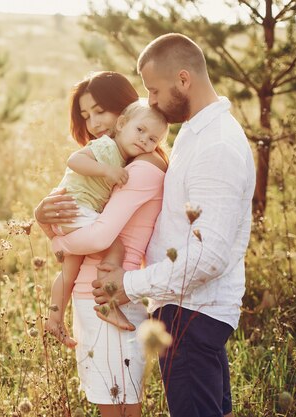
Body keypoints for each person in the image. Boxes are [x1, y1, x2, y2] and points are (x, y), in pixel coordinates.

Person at [91, 33, 255, 417]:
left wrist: (127, 285)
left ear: (184, 80)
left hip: (193, 315)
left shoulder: (217, 145)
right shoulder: (195, 134)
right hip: (190, 310)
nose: (149, 101)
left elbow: (208, 257)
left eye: (154, 90)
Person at [35, 71, 168, 417]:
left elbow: (99, 235)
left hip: (106, 293)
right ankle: (53, 313)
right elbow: (75, 197)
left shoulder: (139, 165)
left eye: (99, 112)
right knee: (117, 406)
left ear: (124, 111)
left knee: (121, 406)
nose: (93, 124)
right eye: (85, 116)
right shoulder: (113, 157)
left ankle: (54, 313)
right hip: (98, 295)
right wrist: (44, 218)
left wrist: (57, 236)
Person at [45, 101, 169, 346]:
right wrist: (106, 171)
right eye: (140, 130)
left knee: (67, 274)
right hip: (75, 208)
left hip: (73, 215)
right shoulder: (107, 147)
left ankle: (54, 318)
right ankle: (108, 300)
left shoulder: (130, 160)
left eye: (153, 139)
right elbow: (74, 160)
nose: (145, 140)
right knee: (116, 247)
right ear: (121, 124)